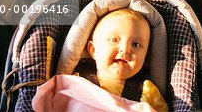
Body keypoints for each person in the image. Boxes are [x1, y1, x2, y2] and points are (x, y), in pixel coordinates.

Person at [32, 8, 168, 112]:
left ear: (146, 57)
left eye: (136, 44)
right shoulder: (75, 81)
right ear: (93, 50)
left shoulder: (148, 90)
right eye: (114, 40)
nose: (125, 49)